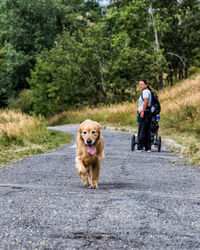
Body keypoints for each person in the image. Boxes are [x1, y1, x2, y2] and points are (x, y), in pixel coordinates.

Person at [137, 80, 152, 152]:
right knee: (146, 130)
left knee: (142, 130)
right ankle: (147, 147)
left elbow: (146, 101)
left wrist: (142, 111)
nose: (140, 86)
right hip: (148, 112)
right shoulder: (148, 91)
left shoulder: (145, 92)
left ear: (146, 85)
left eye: (142, 84)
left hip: (144, 112)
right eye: (139, 84)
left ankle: (140, 147)